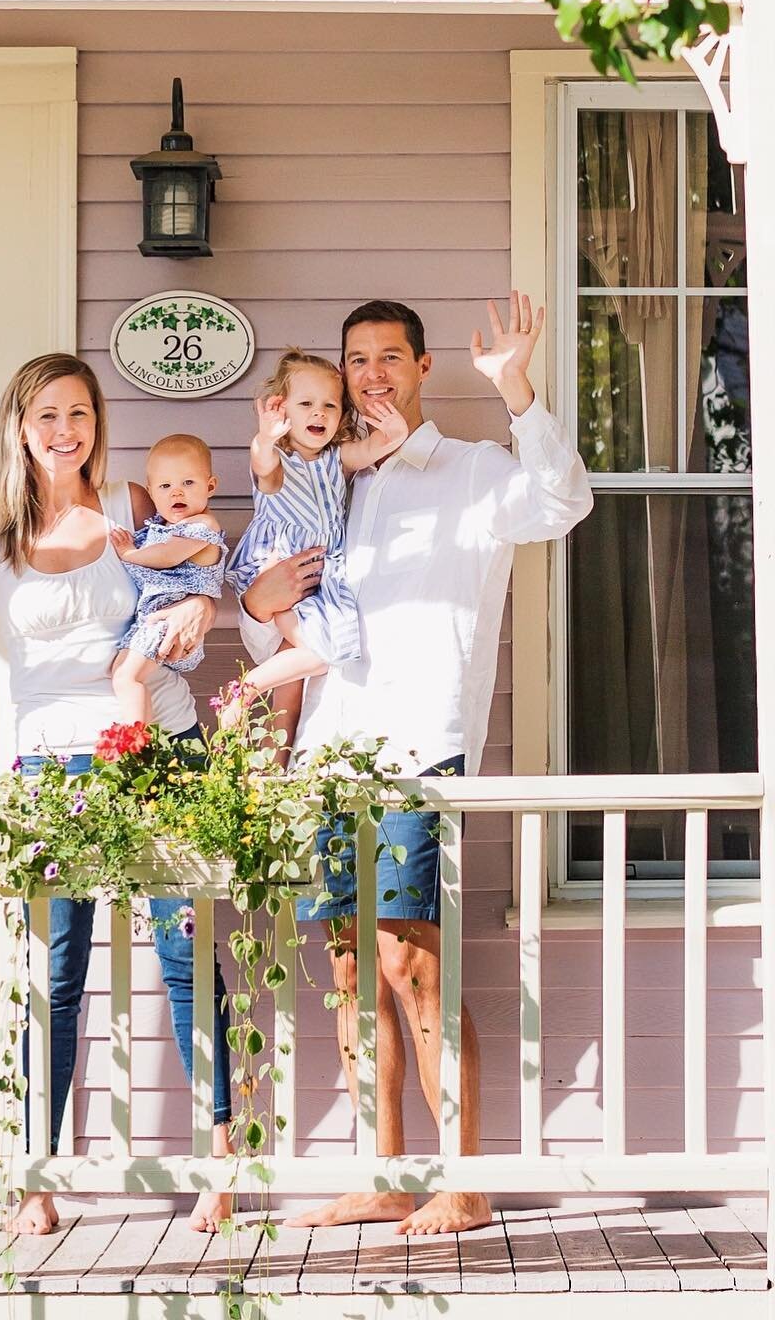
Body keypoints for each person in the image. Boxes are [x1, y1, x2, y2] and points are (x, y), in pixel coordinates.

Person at [237, 295, 592, 1236]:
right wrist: (258, 600)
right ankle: (384, 1173)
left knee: (415, 965)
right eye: (357, 361)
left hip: (416, 749)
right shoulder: (330, 483)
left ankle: (464, 1183)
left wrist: (517, 389)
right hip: (328, 750)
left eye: (390, 357)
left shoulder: (474, 472)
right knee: (356, 972)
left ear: (424, 368)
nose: (371, 376)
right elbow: (280, 609)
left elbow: (563, 501)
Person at [0, 353, 235, 1236]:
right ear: (21, 428)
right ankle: (34, 1172)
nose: (65, 429)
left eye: (79, 412)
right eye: (47, 415)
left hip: (157, 750)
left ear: (96, 423)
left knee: (184, 955)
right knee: (57, 970)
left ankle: (221, 1165)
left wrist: (206, 611)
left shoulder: (130, 508)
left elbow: (201, 569)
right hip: (52, 772)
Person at [222, 349, 408, 746]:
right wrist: (265, 437)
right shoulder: (278, 460)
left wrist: (393, 435)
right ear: (282, 408)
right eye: (305, 404)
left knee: (293, 669)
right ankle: (245, 690)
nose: (318, 413)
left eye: (330, 405)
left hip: (318, 578)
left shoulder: (336, 459)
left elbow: (369, 450)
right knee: (321, 653)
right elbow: (263, 469)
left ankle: (272, 769)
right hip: (277, 565)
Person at [109, 433, 227, 725]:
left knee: (126, 677)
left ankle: (136, 744)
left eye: (188, 483)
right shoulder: (162, 526)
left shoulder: (202, 525)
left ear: (210, 486)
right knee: (123, 673)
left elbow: (167, 557)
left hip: (170, 623)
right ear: (151, 492)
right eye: (165, 486)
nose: (177, 493)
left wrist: (128, 553)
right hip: (153, 620)